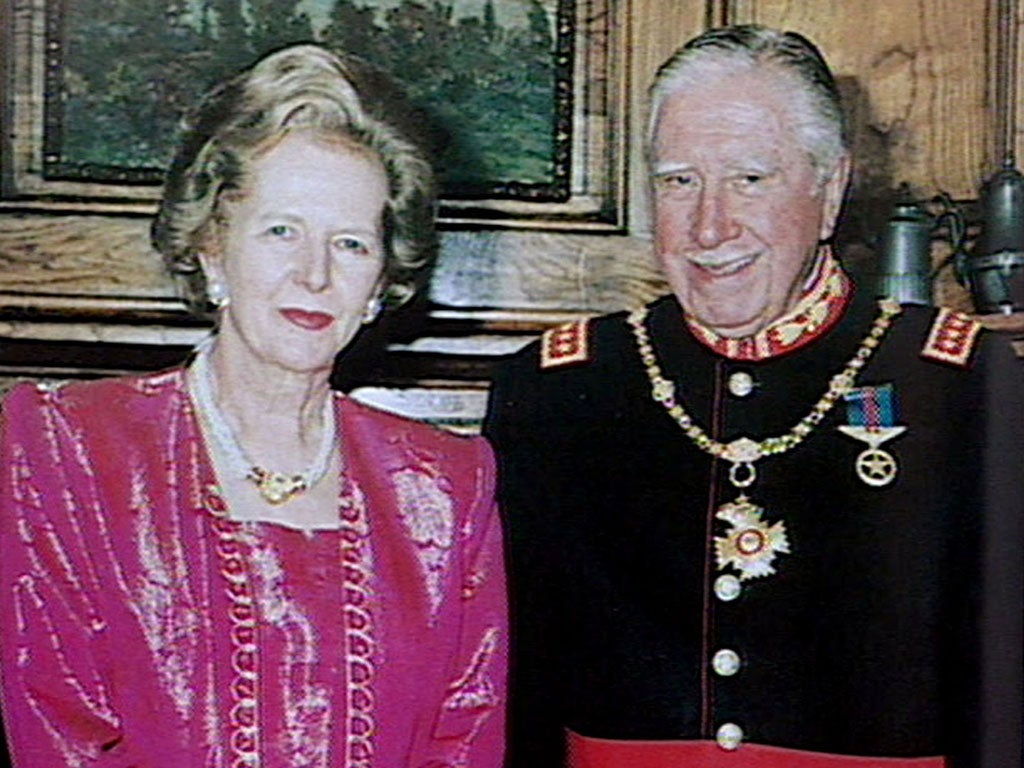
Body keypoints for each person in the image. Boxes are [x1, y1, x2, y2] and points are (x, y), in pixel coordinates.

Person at [485, 25, 1023, 768]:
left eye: (751, 179)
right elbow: (515, 700)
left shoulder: (964, 389)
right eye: (678, 180)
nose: (710, 225)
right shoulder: (557, 390)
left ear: (829, 189)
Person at [0, 44, 506, 767]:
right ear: (211, 246)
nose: (315, 273)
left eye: (352, 243)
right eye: (281, 231)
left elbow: (464, 745)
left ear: (380, 281)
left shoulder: (446, 486)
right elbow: (57, 733)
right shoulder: (71, 450)